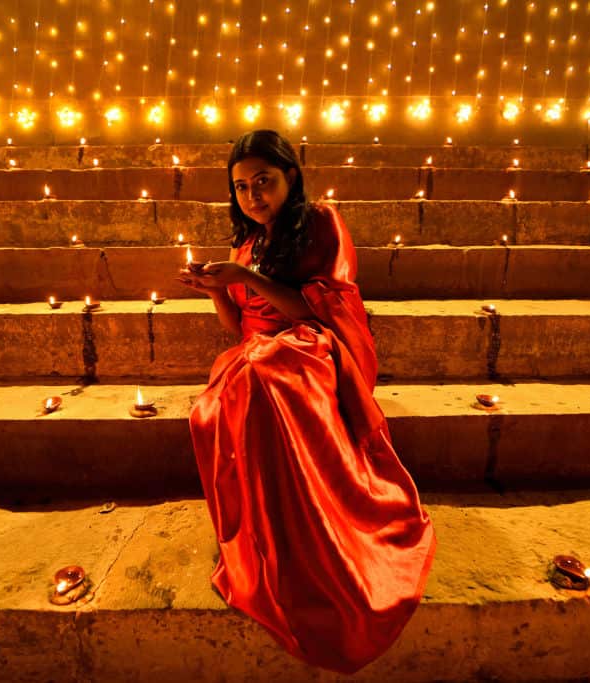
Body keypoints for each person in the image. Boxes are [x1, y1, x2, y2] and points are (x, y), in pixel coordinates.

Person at [177, 129, 436, 674]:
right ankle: (270, 535)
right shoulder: (245, 244)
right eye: (241, 187)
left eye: (263, 181)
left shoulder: (321, 222)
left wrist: (247, 277)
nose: (253, 196)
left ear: (290, 177)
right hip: (257, 349)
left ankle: (316, 535)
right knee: (222, 399)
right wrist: (218, 289)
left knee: (267, 373)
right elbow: (238, 326)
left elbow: (320, 308)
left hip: (312, 342)